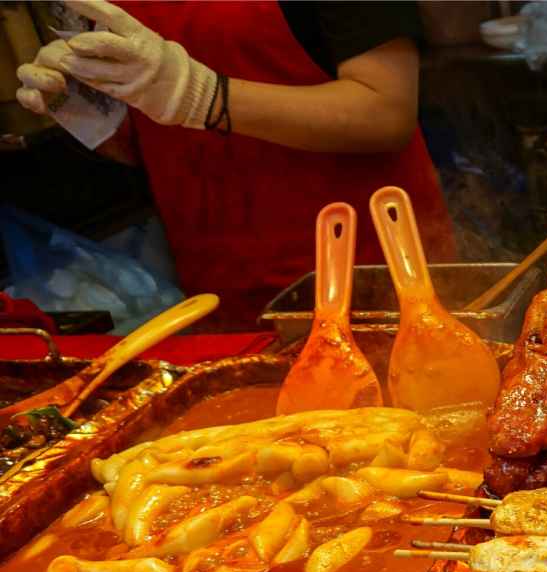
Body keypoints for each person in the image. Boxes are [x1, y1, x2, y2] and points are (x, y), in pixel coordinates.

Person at [16, 0, 455, 329]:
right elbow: (154, 144)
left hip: (370, 280)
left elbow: (385, 112)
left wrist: (206, 97)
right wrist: (93, 118)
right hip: (221, 292)